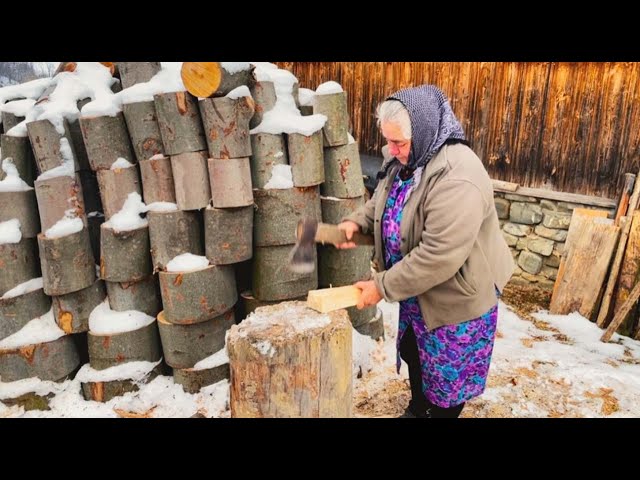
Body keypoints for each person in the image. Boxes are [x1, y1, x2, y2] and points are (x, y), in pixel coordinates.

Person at [337, 85, 514, 418]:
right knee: (416, 351)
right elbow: (381, 201)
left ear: (424, 131)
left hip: (457, 298)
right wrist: (357, 224)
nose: (390, 150)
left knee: (448, 374)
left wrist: (381, 286)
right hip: (418, 289)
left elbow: (439, 254)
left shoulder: (459, 176)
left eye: (399, 143)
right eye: (387, 141)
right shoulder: (407, 159)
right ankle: (418, 408)